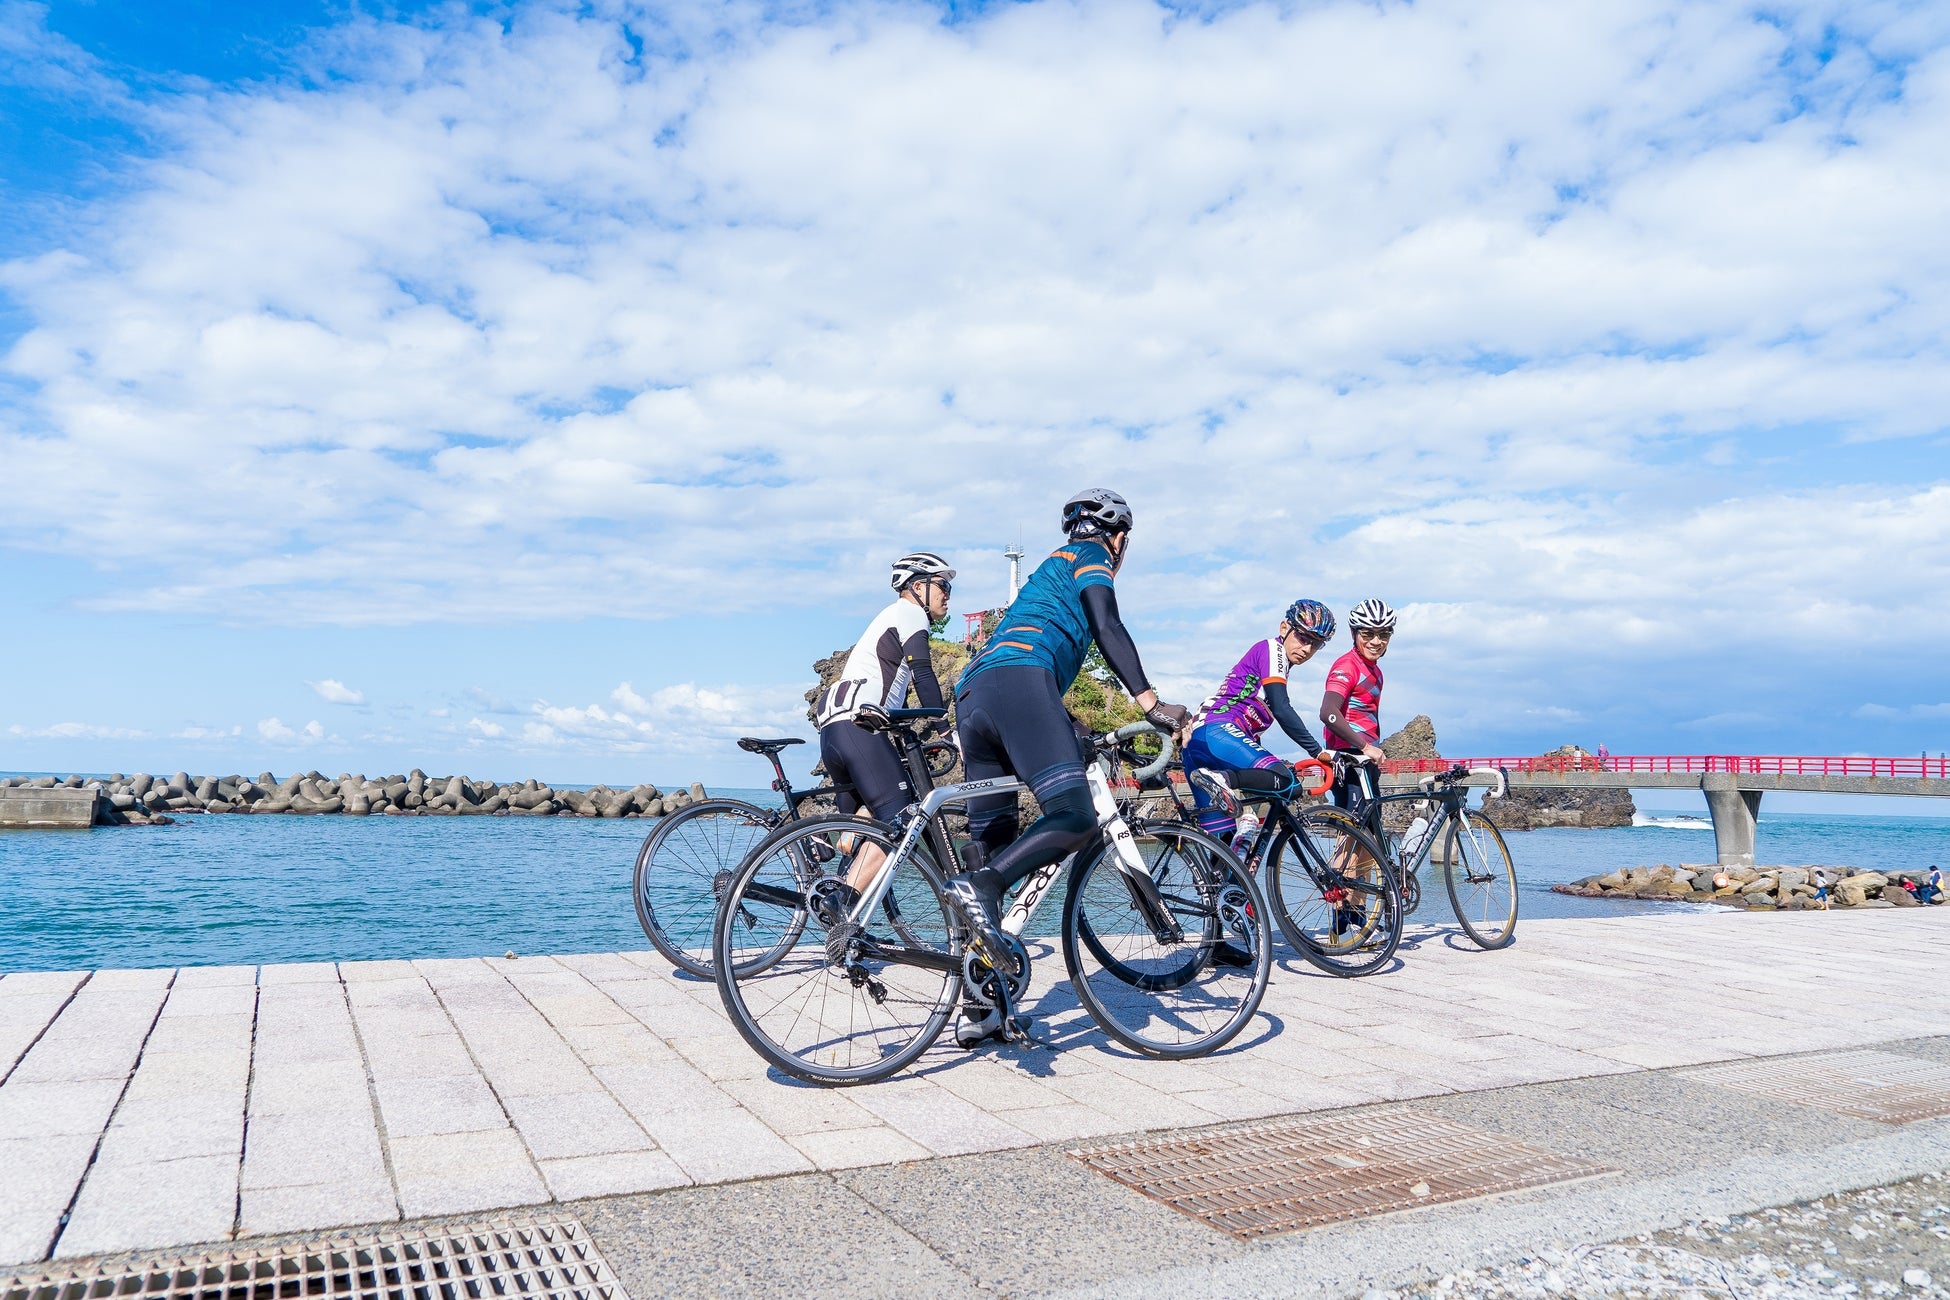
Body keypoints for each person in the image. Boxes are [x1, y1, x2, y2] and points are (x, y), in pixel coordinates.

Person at [945, 489, 1191, 1037]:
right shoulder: (1092, 556)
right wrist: (1151, 703)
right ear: (1119, 538)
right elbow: (1107, 626)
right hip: (1019, 681)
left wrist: (1077, 732)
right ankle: (982, 887)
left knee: (996, 842)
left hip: (977, 695)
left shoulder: (1045, 574)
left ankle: (981, 1006)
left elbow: (1035, 677)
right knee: (1076, 817)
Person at [810, 551, 955, 903]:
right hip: (859, 726)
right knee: (901, 816)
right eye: (943, 586)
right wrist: (945, 730)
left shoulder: (886, 619)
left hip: (834, 727)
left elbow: (894, 690)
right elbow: (922, 673)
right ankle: (841, 900)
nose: (948, 594)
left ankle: (823, 874)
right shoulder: (909, 613)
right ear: (917, 587)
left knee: (854, 830)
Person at [1182, 599, 1336, 845]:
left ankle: (1222, 876)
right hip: (1218, 732)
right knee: (1286, 781)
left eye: (1316, 644)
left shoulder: (1272, 668)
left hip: (1199, 744)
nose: (1307, 648)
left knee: (1222, 852)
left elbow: (1249, 731)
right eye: (1303, 638)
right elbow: (1281, 708)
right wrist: (1318, 751)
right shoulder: (1272, 649)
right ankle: (1224, 781)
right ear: (1284, 628)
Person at [1320, 598, 1395, 803]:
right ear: (1354, 634)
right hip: (1349, 757)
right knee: (1352, 828)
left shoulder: (1376, 671)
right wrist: (1364, 747)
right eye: (1368, 634)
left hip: (1367, 759)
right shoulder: (1347, 666)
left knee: (1370, 830)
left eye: (1384, 634)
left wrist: (1371, 749)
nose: (1376, 641)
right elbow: (1328, 713)